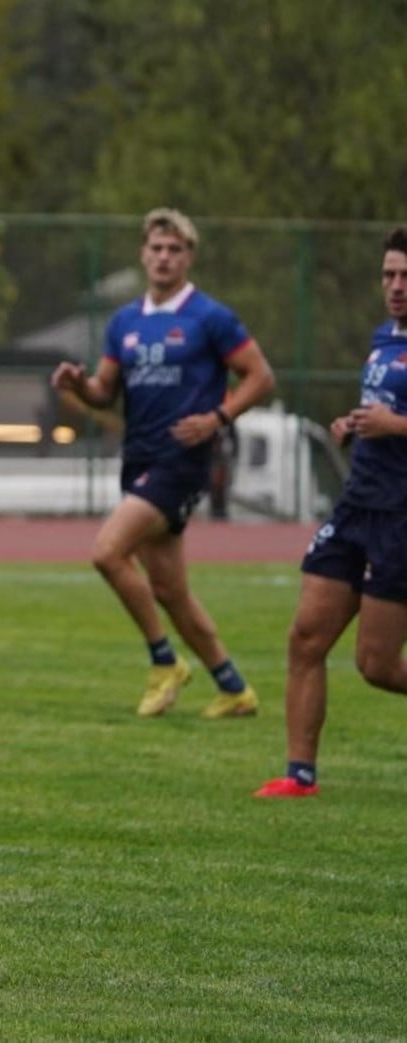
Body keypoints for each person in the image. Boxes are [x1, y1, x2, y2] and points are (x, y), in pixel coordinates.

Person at [50, 207, 277, 718]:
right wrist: (77, 385)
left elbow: (260, 376)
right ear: (142, 254)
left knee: (108, 553)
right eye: (156, 248)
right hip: (139, 458)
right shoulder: (125, 321)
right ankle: (234, 687)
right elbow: (104, 393)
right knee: (171, 591)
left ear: (188, 258)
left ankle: (164, 661)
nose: (164, 257)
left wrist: (218, 417)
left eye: (175, 249)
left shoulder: (210, 317)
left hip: (183, 460)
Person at [255, 226, 407, 798]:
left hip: (400, 517)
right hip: (356, 506)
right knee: (306, 638)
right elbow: (385, 411)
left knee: (377, 665)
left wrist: (394, 427)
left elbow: (396, 419)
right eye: (389, 275)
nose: (395, 286)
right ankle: (300, 775)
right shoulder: (383, 337)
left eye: (405, 277)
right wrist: (354, 427)